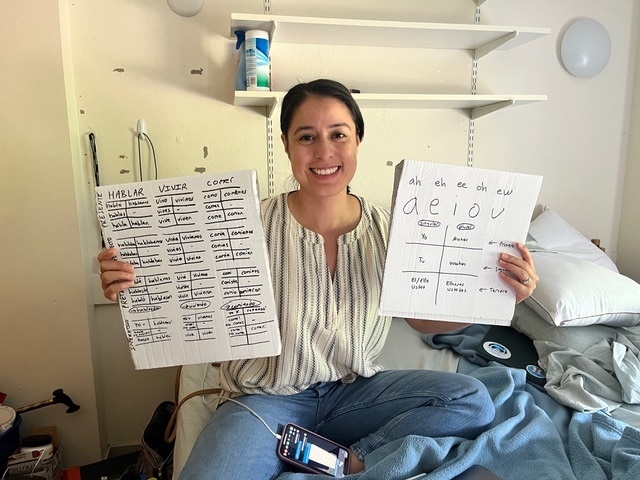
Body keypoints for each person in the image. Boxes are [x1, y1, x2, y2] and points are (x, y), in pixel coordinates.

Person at [98, 79, 539, 479]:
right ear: (288, 147)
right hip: (264, 399)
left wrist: (497, 296)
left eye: (338, 135)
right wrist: (135, 284)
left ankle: (351, 458)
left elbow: (423, 322)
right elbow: (186, 295)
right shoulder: (242, 223)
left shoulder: (395, 229)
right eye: (306, 137)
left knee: (472, 400)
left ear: (358, 141)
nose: (324, 152)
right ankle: (328, 455)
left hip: (356, 394)